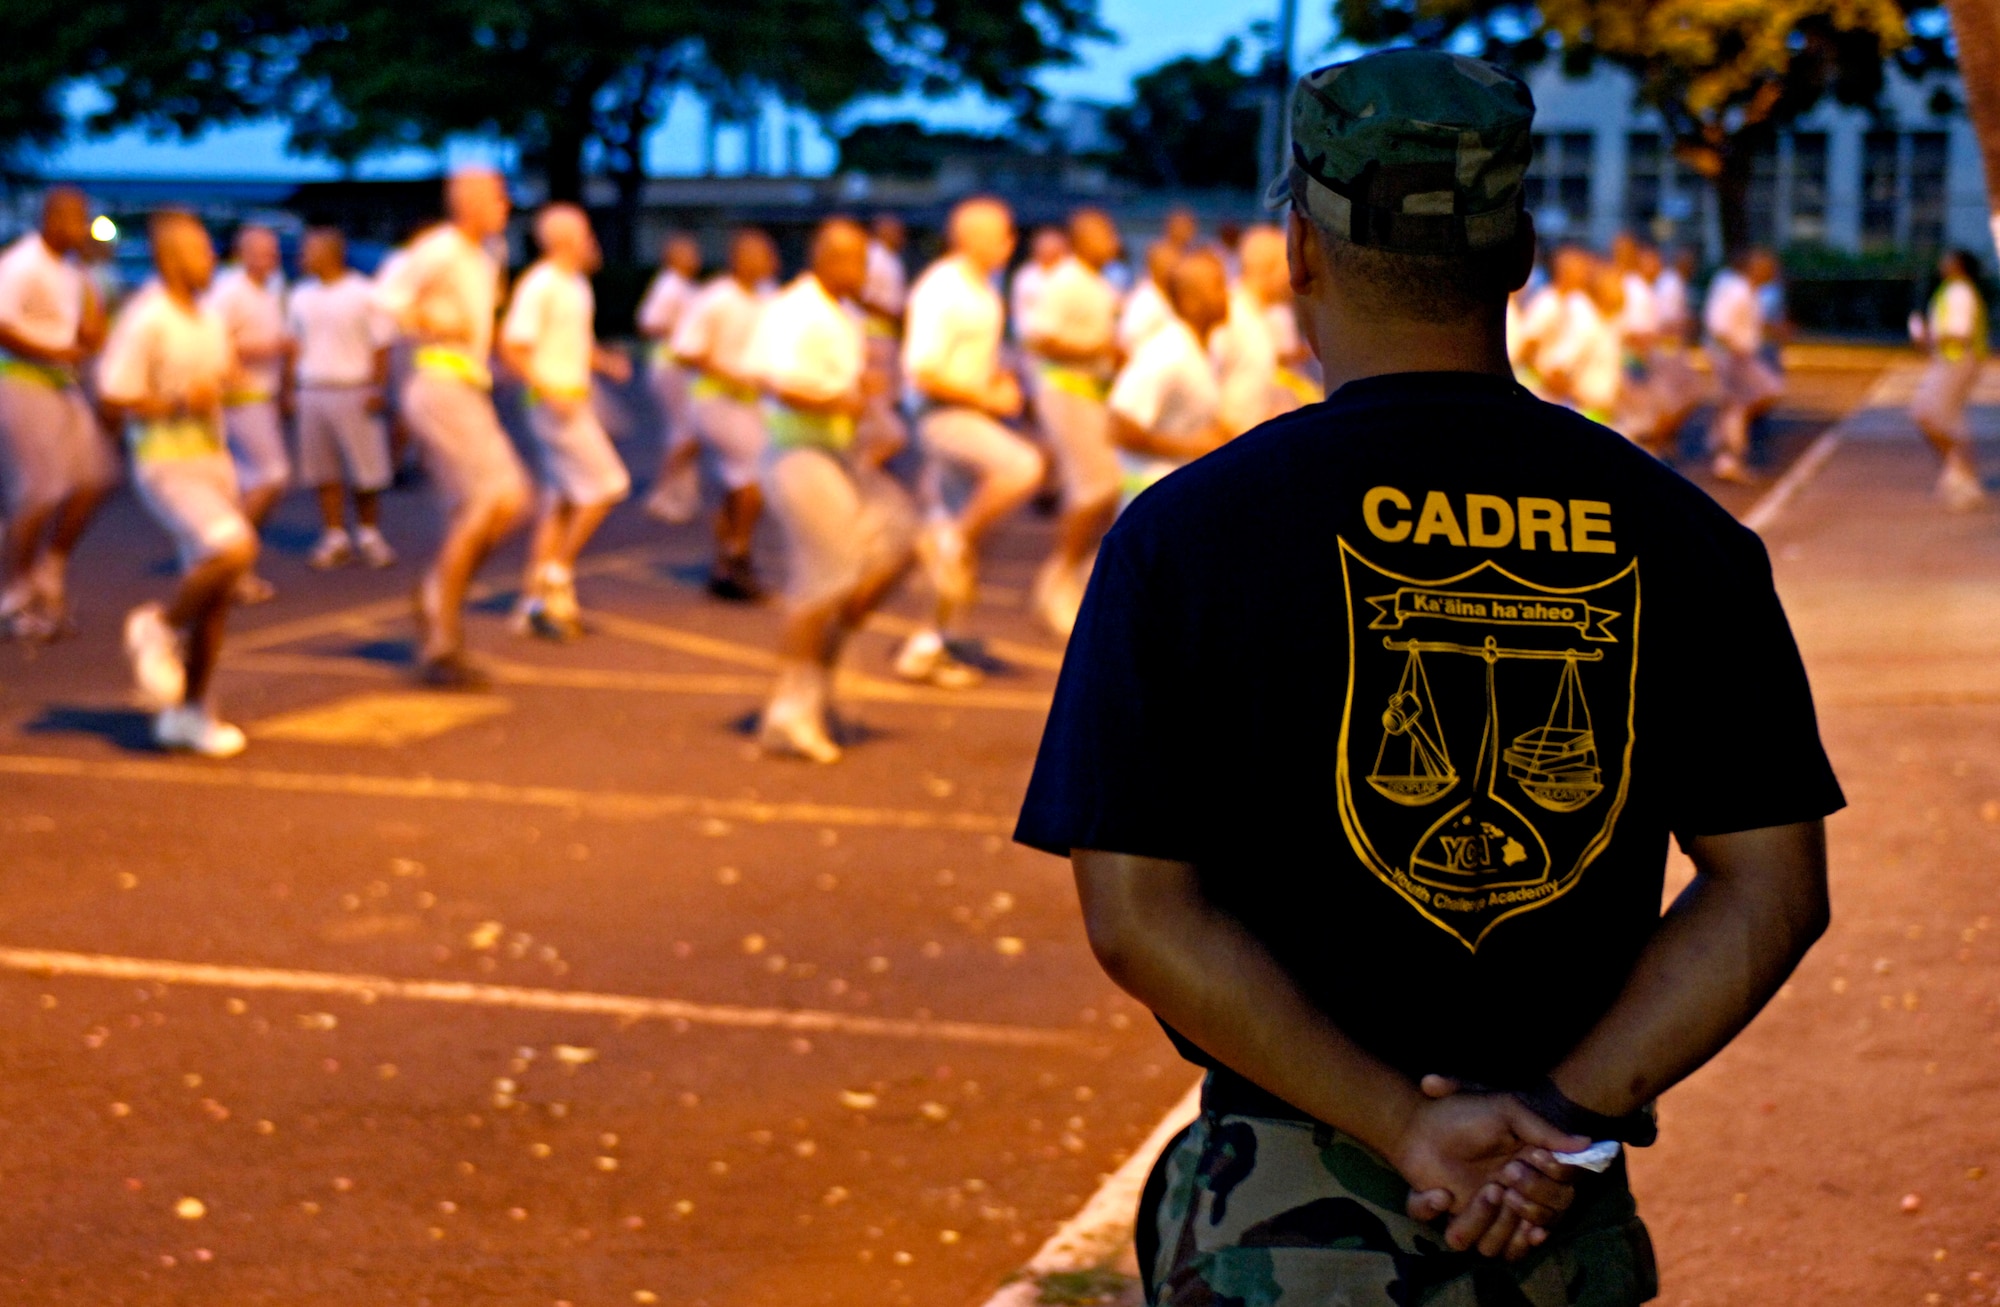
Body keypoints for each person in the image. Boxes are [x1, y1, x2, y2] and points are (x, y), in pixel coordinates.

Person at [1017, 49, 1842, 1306]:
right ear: (1516, 253)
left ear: (1298, 246)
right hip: (1551, 1221)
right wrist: (1563, 1108)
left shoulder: (1186, 534)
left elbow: (1138, 915)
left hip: (1280, 1219)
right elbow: (1770, 890)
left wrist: (1402, 1121)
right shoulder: (1681, 537)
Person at [744, 217, 917, 764]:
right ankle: (790, 711)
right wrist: (840, 401)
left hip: (836, 453)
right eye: (859, 262)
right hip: (798, 453)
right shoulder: (795, 310)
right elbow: (776, 380)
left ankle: (818, 677)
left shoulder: (841, 314)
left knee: (895, 544)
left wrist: (865, 404)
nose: (867, 274)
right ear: (831, 259)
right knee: (825, 577)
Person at [100, 212, 259, 758]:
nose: (211, 257)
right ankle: (158, 627)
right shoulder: (148, 319)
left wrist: (228, 385)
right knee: (234, 548)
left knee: (214, 597)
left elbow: (218, 379)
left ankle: (189, 714)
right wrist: (172, 403)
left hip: (213, 460)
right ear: (170, 258)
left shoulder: (208, 319)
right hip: (166, 465)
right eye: (200, 250)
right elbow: (114, 397)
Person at [372, 166, 532, 687]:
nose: (505, 205)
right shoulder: (439, 247)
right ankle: (438, 619)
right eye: (497, 196)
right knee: (495, 499)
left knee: (504, 505)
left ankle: (440, 603)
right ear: (466, 202)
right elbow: (385, 299)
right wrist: (429, 322)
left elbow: (486, 326)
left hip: (466, 387)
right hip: (439, 386)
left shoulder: (487, 256)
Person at [895, 196, 1045, 688]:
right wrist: (986, 395)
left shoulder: (978, 287)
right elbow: (923, 370)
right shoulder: (942, 289)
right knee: (1022, 468)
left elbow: (972, 359)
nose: (1011, 241)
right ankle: (955, 538)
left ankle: (932, 642)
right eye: (1003, 232)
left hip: (966, 412)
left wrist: (999, 381)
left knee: (959, 547)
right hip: (944, 418)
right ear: (973, 237)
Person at [499, 203, 633, 641]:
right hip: (555, 406)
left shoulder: (575, 284)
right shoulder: (540, 285)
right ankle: (557, 575)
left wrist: (604, 362)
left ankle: (532, 602)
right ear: (566, 240)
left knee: (560, 503)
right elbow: (514, 347)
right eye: (586, 233)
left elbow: (571, 342)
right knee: (607, 485)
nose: (593, 241)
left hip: (572, 399)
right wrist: (550, 390)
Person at [0, 185, 120, 640]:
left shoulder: (73, 274)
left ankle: (51, 567)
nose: (82, 226)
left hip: (62, 385)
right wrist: (54, 351)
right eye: (75, 217)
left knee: (96, 477)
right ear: (51, 218)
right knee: (41, 490)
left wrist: (90, 337)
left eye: (85, 217)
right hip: (21, 380)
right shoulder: (21, 264)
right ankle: (14, 592)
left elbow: (80, 334)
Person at [1021, 207, 1124, 637]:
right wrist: (1096, 352)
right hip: (1066, 391)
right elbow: (1039, 338)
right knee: (1093, 486)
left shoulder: (1098, 284)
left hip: (1091, 394)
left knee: (1104, 486)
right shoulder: (1064, 280)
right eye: (1104, 234)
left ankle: (1074, 576)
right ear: (1081, 239)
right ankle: (1057, 582)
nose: (1112, 241)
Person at [669, 228, 779, 600]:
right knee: (755, 479)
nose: (769, 260)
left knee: (739, 484)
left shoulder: (767, 296)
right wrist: (727, 373)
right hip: (716, 400)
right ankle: (738, 554)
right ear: (739, 259)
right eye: (761, 254)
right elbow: (685, 350)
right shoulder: (715, 298)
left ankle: (726, 562)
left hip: (751, 403)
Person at [287, 227, 396, 570]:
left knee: (367, 468)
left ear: (331, 253)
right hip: (313, 389)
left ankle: (369, 533)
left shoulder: (364, 293)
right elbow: (295, 344)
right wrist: (290, 387)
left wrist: (377, 387)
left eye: (310, 250)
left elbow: (381, 344)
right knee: (323, 469)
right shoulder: (301, 295)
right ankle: (334, 535)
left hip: (354, 389)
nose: (303, 256)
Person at [204, 223, 291, 603]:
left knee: (248, 482)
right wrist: (266, 350)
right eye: (263, 252)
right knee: (271, 476)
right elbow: (210, 345)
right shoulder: (229, 291)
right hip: (239, 400)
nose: (272, 259)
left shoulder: (267, 290)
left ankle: (231, 563)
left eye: (274, 252)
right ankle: (228, 557)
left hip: (261, 397)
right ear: (243, 253)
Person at [1107, 248, 1232, 508]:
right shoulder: (1168, 353)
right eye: (1218, 286)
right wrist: (1190, 447)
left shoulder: (1198, 348)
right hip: (1152, 501)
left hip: (1173, 494)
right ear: (1189, 301)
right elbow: (1119, 427)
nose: (1227, 295)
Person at [1909, 248, 1990, 511]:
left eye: (1947, 258)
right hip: (1951, 359)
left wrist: (1927, 338)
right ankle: (1959, 475)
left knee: (1927, 413)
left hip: (1957, 360)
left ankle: (1961, 474)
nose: (1942, 262)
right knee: (1946, 418)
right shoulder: (1952, 290)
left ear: (1958, 265)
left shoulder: (1959, 292)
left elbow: (1959, 333)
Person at [638, 233, 705, 523]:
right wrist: (681, 336)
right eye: (690, 253)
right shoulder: (670, 287)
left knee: (682, 433)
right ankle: (664, 492)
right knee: (687, 433)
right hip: (671, 367)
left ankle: (681, 496)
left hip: (679, 367)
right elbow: (649, 323)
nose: (696, 258)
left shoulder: (681, 286)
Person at [1703, 248, 1784, 484]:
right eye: (1766, 266)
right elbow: (1718, 325)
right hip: (1734, 357)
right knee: (1745, 402)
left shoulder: (1748, 290)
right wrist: (1733, 354)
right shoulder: (1737, 290)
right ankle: (1727, 454)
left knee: (1740, 405)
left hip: (1738, 355)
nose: (1770, 271)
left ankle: (1723, 445)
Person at [1117, 241, 1180, 356]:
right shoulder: (1145, 302)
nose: (1177, 269)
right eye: (1171, 263)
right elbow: (1127, 343)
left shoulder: (1165, 296)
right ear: (1155, 266)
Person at [1010, 226, 1070, 340]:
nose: (1046, 250)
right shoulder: (1026, 275)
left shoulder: (1072, 274)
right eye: (1042, 246)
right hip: (1033, 341)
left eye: (1051, 247)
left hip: (1067, 341)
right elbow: (1021, 310)